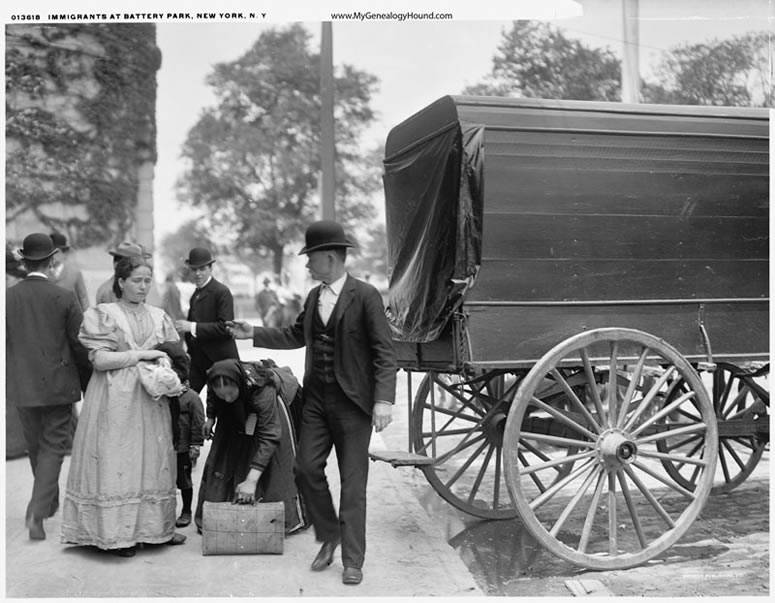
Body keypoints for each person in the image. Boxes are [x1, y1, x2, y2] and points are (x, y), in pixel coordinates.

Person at [229, 220, 397, 586]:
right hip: (317, 402)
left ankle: (353, 559)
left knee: (353, 485)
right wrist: (253, 332)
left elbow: (385, 352)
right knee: (305, 469)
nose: (306, 265)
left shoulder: (366, 296)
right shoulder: (313, 297)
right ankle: (329, 535)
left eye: (311, 259)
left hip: (354, 406)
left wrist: (383, 399)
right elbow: (294, 334)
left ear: (331, 258)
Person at [60, 255, 186, 557]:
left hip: (150, 398)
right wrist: (141, 355)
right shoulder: (103, 313)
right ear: (121, 282)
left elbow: (172, 351)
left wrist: (165, 361)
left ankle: (154, 530)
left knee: (152, 459)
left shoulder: (159, 315)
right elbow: (101, 360)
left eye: (147, 280)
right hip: (115, 400)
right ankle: (117, 535)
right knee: (119, 460)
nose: (143, 286)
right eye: (137, 281)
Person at [6, 233, 92, 540]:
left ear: (24, 261)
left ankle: (46, 501)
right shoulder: (64, 297)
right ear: (52, 259)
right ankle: (37, 511)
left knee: (35, 448)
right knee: (53, 449)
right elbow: (80, 345)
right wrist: (88, 381)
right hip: (58, 386)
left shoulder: (8, 297)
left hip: (22, 387)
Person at [194, 358, 307, 534]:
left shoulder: (263, 391)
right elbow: (213, 393)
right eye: (222, 395)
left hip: (271, 412)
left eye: (231, 394)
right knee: (224, 456)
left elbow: (269, 436)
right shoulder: (218, 383)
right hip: (238, 408)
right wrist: (211, 417)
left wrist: (251, 480)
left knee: (275, 465)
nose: (227, 398)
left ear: (239, 384)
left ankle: (285, 517)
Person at [154, 341, 204, 529]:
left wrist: (195, 445)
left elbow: (198, 422)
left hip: (182, 447)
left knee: (184, 481)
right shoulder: (161, 395)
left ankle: (186, 511)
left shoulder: (191, 397)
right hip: (164, 447)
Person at [175, 248, 240, 393]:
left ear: (210, 268)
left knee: (225, 409)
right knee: (184, 399)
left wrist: (192, 326)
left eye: (202, 269)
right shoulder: (196, 295)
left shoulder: (221, 292)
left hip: (222, 362)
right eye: (194, 269)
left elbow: (225, 328)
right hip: (199, 362)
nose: (197, 274)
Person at [50, 232, 90, 313]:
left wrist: (88, 319)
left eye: (56, 252)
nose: (53, 255)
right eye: (50, 252)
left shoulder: (75, 273)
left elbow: (83, 297)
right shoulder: (43, 273)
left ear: (65, 253)